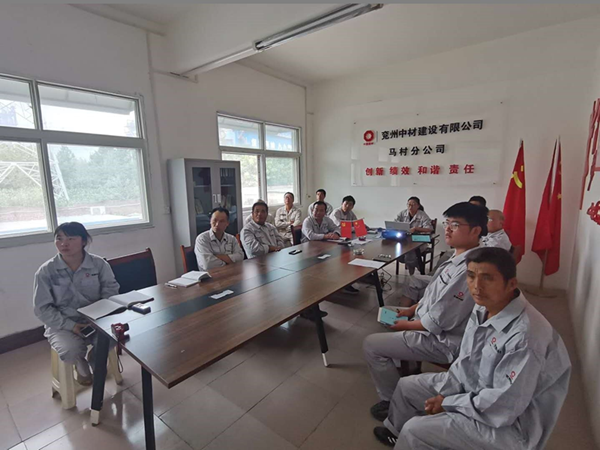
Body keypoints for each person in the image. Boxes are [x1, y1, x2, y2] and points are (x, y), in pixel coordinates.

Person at [372, 247, 571, 450]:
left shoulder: (525, 338)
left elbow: (503, 405)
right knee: (406, 387)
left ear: (511, 284)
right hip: (474, 388)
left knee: (414, 430)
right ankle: (395, 434)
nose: (476, 286)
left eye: (487, 278)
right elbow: (466, 359)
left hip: (509, 426)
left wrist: (448, 402)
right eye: (471, 276)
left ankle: (411, 439)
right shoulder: (484, 305)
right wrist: (447, 393)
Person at [363, 202, 487, 421]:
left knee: (371, 345)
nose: (447, 229)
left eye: (455, 225)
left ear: (475, 230)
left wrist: (406, 324)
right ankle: (405, 363)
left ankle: (392, 401)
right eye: (447, 223)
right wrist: (410, 309)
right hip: (427, 321)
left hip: (442, 341)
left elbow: (440, 320)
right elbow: (433, 296)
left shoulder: (470, 269)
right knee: (388, 312)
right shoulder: (457, 257)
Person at [33, 222, 120, 385]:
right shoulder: (46, 271)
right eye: (59, 239)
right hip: (62, 323)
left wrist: (99, 316)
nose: (64, 243)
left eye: (71, 238)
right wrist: (70, 325)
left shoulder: (99, 264)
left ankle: (95, 360)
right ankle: (81, 365)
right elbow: (42, 308)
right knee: (70, 350)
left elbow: (111, 291)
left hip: (96, 320)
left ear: (84, 241)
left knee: (113, 337)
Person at [395, 197, 433, 275]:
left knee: (410, 252)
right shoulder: (402, 213)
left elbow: (429, 229)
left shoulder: (422, 215)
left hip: (419, 241)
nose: (410, 207)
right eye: (409, 204)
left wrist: (416, 228)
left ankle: (411, 272)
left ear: (418, 206)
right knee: (397, 251)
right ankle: (417, 264)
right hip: (405, 240)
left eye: (413, 205)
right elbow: (395, 224)